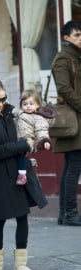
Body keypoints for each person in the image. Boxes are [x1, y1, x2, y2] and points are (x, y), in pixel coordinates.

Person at [0, 79, 47, 270]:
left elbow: (34, 123)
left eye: (4, 98)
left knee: (22, 217)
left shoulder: (12, 113)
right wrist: (24, 144)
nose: (1, 103)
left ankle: (21, 264)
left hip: (19, 171)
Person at [51, 20, 81, 226]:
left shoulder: (76, 57)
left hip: (77, 117)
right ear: (66, 37)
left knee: (72, 165)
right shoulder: (64, 58)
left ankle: (64, 213)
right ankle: (69, 212)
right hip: (74, 118)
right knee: (75, 165)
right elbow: (64, 89)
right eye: (77, 35)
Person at [16, 89, 55, 185]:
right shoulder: (20, 114)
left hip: (28, 142)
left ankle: (22, 176)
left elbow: (42, 130)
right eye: (25, 104)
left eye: (31, 104)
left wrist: (45, 141)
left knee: (22, 156)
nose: (28, 106)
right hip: (18, 140)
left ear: (37, 105)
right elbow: (11, 110)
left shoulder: (39, 118)